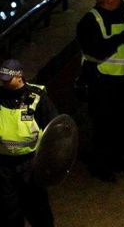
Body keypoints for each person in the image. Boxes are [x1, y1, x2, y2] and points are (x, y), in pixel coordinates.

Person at [76, 0, 124, 182]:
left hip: (122, 78)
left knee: (122, 121)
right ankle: (102, 166)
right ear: (108, 0)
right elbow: (97, 50)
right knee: (103, 125)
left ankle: (119, 159)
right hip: (100, 81)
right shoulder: (89, 22)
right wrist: (123, 36)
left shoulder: (122, 11)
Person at [0, 59, 58, 227]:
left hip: (30, 164)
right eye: (2, 78)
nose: (3, 82)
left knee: (39, 210)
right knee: (9, 212)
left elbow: (54, 127)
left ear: (19, 76)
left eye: (7, 79)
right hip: (4, 166)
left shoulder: (37, 97)